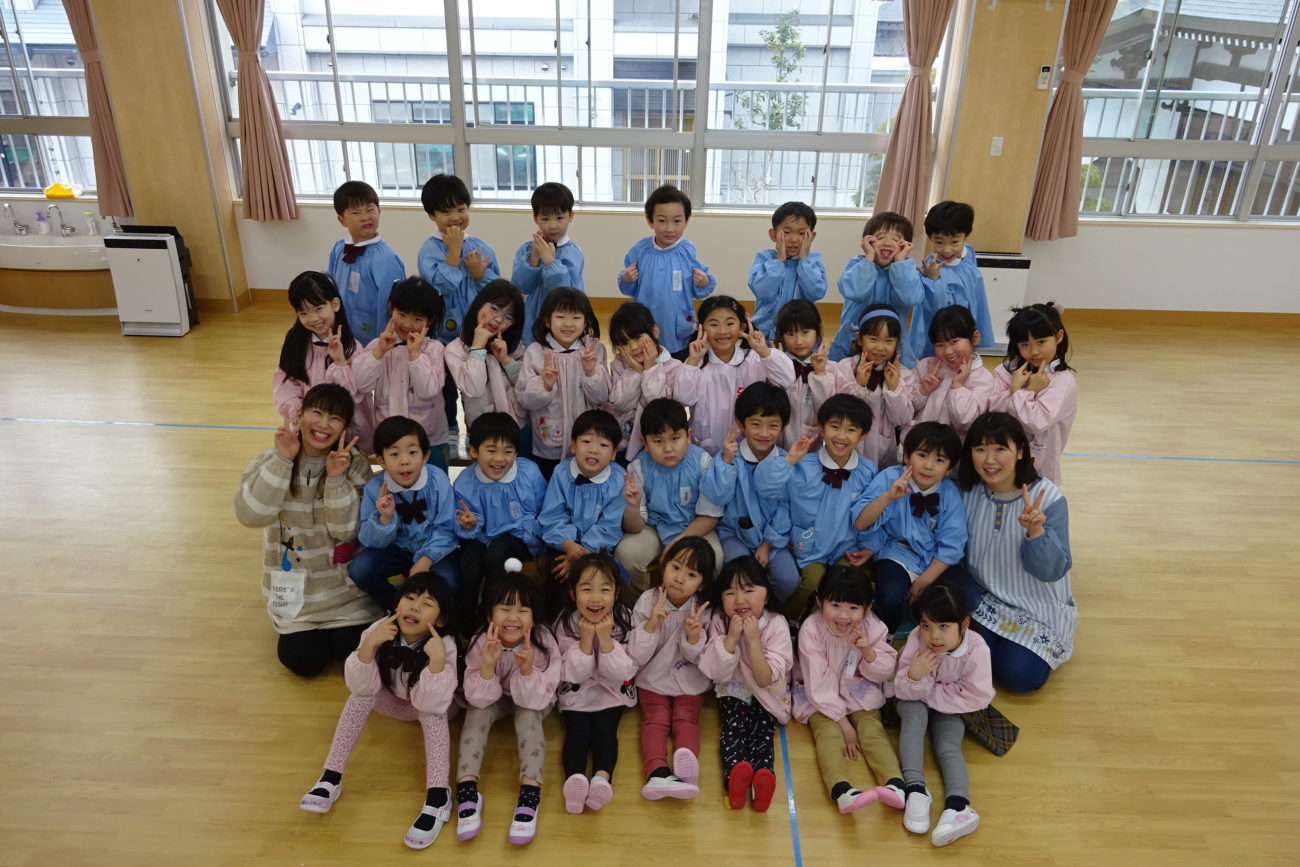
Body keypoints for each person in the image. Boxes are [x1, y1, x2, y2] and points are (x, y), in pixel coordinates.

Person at [298, 574, 458, 850]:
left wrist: (437, 662)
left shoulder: (445, 646)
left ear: (441, 620)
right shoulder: (379, 630)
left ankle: (438, 795)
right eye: (410, 598)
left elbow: (434, 703)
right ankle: (331, 777)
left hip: (433, 705)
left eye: (427, 603)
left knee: (433, 716)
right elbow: (360, 685)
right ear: (396, 604)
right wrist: (369, 646)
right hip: (394, 701)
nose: (415, 607)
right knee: (359, 697)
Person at [234, 384, 378, 677]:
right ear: (299, 415)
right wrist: (282, 461)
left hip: (346, 595)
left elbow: (346, 532)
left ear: (344, 428)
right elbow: (251, 515)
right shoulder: (270, 458)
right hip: (295, 594)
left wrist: (336, 480)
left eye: (335, 418)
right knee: (303, 661)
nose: (324, 424)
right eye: (317, 413)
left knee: (354, 651)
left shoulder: (354, 464)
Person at [956, 411, 1075, 692]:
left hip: (1035, 605)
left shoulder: (1048, 498)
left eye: (1000, 449)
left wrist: (1036, 533)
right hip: (983, 596)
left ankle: (990, 644)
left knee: (1021, 676)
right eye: (980, 449)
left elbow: (1053, 571)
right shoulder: (967, 490)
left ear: (1020, 451)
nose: (989, 459)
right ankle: (987, 640)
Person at [457, 570, 561, 846]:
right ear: (490, 615)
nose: (513, 617)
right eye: (504, 609)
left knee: (527, 717)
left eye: (523, 610)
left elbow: (537, 699)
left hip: (534, 696)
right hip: (493, 694)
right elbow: (477, 698)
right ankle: (467, 788)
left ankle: (530, 792)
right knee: (476, 713)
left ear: (535, 618)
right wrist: (487, 667)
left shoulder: (544, 643)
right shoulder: (482, 640)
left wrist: (526, 672)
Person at [791, 566, 905, 814]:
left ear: (867, 608)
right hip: (817, 695)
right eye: (835, 605)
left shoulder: (873, 626)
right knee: (828, 733)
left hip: (857, 688)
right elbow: (818, 683)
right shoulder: (812, 629)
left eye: (853, 608)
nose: (843, 616)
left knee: (871, 729)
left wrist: (868, 652)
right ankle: (841, 790)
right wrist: (845, 726)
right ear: (820, 602)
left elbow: (884, 670)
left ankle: (895, 784)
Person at [754, 394, 878, 619]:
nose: (841, 436)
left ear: (864, 434)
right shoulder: (803, 466)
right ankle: (788, 621)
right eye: (834, 427)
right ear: (821, 427)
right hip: (809, 550)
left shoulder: (867, 471)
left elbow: (873, 512)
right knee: (810, 582)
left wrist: (870, 546)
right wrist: (772, 541)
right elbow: (776, 499)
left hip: (847, 549)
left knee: (850, 583)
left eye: (851, 430)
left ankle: (838, 626)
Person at [893, 581, 995, 847]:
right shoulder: (917, 639)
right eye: (926, 625)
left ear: (964, 624)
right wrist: (915, 676)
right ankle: (915, 789)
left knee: (948, 745)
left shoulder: (977, 649)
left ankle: (959, 806)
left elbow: (977, 696)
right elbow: (901, 688)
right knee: (913, 724)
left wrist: (928, 690)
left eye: (944, 626)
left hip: (952, 706)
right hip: (915, 697)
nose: (934, 636)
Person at [853, 422, 971, 634]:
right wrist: (888, 496)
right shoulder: (890, 477)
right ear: (907, 457)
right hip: (896, 551)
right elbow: (861, 523)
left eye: (939, 460)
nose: (928, 466)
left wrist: (924, 580)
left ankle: (936, 636)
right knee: (890, 594)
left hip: (934, 557)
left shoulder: (950, 493)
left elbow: (953, 543)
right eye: (922, 455)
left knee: (969, 596)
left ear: (949, 469)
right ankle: (886, 636)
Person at [697, 556, 793, 812]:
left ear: (766, 595)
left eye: (748, 590)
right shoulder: (719, 621)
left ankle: (763, 777)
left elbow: (764, 678)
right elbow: (716, 673)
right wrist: (730, 639)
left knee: (762, 732)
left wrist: (752, 642)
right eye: (730, 593)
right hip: (733, 688)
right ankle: (735, 777)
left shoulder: (776, 624)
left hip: (766, 692)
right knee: (734, 728)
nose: (739, 600)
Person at [626, 536, 717, 801]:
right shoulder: (648, 600)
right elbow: (636, 655)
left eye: (691, 574)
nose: (679, 578)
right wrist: (651, 626)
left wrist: (693, 636)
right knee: (656, 718)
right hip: (652, 677)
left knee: (686, 717)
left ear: (702, 583)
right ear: (664, 566)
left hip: (689, 678)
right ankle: (657, 771)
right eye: (675, 567)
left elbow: (702, 658)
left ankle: (686, 771)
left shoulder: (703, 609)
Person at [553, 553, 638, 814]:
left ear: (616, 592)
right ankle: (575, 781)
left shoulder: (625, 618)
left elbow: (623, 671)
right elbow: (572, 674)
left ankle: (601, 779)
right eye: (587, 589)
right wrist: (586, 641)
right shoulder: (565, 623)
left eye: (605, 589)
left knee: (605, 731)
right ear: (572, 593)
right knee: (577, 733)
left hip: (612, 691)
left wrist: (606, 639)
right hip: (577, 692)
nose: (596, 598)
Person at [699, 383, 799, 604]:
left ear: (784, 425)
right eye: (755, 424)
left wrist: (768, 544)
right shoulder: (729, 457)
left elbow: (787, 509)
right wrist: (726, 462)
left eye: (773, 426)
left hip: (773, 539)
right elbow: (717, 496)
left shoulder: (786, 461)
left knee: (788, 579)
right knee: (741, 576)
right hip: (734, 534)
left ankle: (769, 612)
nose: (764, 433)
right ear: (740, 422)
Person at [351, 416, 459, 610]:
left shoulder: (438, 480)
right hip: (396, 550)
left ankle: (438, 618)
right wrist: (385, 519)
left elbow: (447, 527)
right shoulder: (375, 489)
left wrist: (426, 559)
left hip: (434, 548)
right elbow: (369, 541)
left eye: (412, 452)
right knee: (360, 569)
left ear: (425, 456)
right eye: (394, 454)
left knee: (449, 580)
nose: (404, 461)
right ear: (381, 460)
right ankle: (397, 608)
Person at [616, 398, 725, 591]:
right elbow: (635, 526)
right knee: (627, 553)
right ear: (645, 443)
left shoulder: (702, 461)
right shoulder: (638, 467)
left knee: (715, 559)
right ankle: (641, 602)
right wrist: (632, 507)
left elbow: (710, 516)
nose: (668, 448)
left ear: (688, 436)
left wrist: (676, 544)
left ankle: (698, 604)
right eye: (658, 441)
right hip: (654, 528)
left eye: (675, 438)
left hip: (695, 528)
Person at [452, 412, 547, 632]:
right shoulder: (465, 481)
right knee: (469, 566)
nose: (499, 459)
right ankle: (464, 625)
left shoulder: (528, 472)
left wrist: (542, 547)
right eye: (491, 450)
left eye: (508, 451)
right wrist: (469, 524)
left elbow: (545, 511)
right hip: (479, 536)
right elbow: (460, 519)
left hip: (519, 537)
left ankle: (488, 620)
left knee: (497, 555)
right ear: (473, 451)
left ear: (517, 452)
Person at [351, 277, 451, 470]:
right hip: (390, 439)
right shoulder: (377, 346)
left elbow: (428, 390)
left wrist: (415, 355)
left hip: (429, 438)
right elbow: (362, 384)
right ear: (391, 310)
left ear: (430, 320)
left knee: (434, 481)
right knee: (394, 483)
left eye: (417, 319)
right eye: (402, 314)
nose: (407, 324)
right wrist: (379, 352)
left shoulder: (434, 349)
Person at [679, 295, 796, 455]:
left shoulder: (755, 359)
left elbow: (787, 380)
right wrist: (692, 361)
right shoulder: (696, 363)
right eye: (713, 324)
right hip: (704, 450)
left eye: (730, 323)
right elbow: (683, 399)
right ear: (702, 328)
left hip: (748, 450)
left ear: (742, 327)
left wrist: (763, 351)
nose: (722, 331)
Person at [537, 410, 628, 610]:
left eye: (603, 445)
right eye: (586, 442)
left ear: (614, 453)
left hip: (599, 548)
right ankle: (554, 622)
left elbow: (609, 526)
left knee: (599, 578)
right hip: (563, 545)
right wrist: (570, 547)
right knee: (559, 575)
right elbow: (552, 516)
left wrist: (582, 553)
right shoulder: (561, 473)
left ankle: (601, 621)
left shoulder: (619, 479)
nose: (593, 450)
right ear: (573, 445)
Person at [516, 287, 611, 479]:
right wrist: (545, 385)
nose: (568, 324)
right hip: (549, 441)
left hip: (587, 441)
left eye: (576, 317)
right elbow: (525, 400)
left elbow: (602, 397)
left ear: (585, 321)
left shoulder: (594, 350)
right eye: (560, 317)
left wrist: (590, 372)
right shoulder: (535, 352)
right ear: (547, 320)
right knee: (549, 481)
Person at [273, 270, 373, 451]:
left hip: (348, 431)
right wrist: (296, 409)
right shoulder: (296, 346)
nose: (313, 319)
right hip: (312, 430)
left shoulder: (353, 348)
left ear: (335, 304)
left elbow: (352, 395)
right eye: (303, 313)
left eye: (318, 309)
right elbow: (285, 382)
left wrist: (340, 363)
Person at [811, 304, 914, 469]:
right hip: (846, 448)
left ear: (897, 343)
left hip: (883, 454)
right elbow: (839, 411)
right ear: (859, 339)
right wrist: (858, 384)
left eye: (888, 341)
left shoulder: (904, 375)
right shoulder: (845, 367)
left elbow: (901, 419)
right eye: (873, 339)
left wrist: (893, 389)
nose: (880, 347)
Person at [618, 184, 716, 356]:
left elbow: (700, 288)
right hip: (646, 322)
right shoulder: (640, 250)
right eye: (662, 221)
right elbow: (629, 287)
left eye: (677, 221)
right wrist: (626, 279)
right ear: (650, 220)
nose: (670, 228)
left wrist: (704, 282)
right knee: (647, 357)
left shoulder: (687, 250)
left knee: (678, 361)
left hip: (677, 326)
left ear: (686, 221)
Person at [988, 303, 1076, 486]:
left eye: (1041, 342)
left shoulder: (1062, 381)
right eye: (1025, 344)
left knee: (1035, 500)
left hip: (1040, 467)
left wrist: (1020, 392)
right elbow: (993, 411)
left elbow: (1036, 422)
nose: (1034, 351)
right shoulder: (1006, 371)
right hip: (1000, 460)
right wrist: (1023, 391)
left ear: (1059, 336)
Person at [416, 172, 501, 344]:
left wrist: (480, 276)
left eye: (461, 209)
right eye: (446, 212)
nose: (455, 217)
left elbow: (497, 294)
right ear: (432, 215)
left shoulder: (482, 248)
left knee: (477, 360)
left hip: (480, 331)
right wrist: (454, 251)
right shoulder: (429, 250)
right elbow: (442, 286)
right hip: (442, 335)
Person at [606, 301, 695, 463]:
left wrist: (649, 369)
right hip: (623, 445)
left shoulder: (674, 367)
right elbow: (619, 404)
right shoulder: (619, 364)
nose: (633, 347)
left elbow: (659, 408)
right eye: (624, 343)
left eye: (637, 338)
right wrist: (636, 371)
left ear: (655, 332)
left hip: (660, 447)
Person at [909, 201, 994, 364]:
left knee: (963, 357)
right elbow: (936, 308)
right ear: (930, 238)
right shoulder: (932, 268)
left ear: (965, 236)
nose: (947, 250)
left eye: (954, 242)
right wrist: (933, 280)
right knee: (942, 362)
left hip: (966, 320)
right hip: (945, 329)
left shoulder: (968, 253)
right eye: (939, 242)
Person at [830, 211, 922, 363]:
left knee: (894, 373)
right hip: (854, 336)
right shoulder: (858, 264)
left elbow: (910, 298)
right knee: (846, 370)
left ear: (906, 245)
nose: (887, 243)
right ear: (867, 242)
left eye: (896, 239)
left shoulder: (906, 268)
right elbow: (855, 292)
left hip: (891, 342)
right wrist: (869, 258)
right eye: (880, 237)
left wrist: (900, 262)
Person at [443, 280, 528, 439]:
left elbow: (524, 385)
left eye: (508, 317)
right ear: (479, 303)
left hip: (517, 426)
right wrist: (477, 347)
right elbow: (474, 389)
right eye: (494, 309)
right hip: (482, 431)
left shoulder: (513, 345)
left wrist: (506, 360)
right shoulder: (455, 349)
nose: (498, 320)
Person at [327, 180, 406, 341]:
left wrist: (385, 339)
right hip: (343, 330)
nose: (365, 217)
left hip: (373, 335)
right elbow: (330, 288)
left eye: (370, 210)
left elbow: (393, 305)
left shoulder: (385, 258)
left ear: (379, 212)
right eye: (356, 213)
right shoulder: (338, 249)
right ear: (342, 220)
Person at [511, 181, 585, 343]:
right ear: (535, 218)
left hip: (566, 326)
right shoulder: (527, 249)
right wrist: (534, 258)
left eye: (560, 218)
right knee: (533, 354)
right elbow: (520, 287)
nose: (553, 225)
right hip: (533, 320)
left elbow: (566, 294)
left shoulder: (574, 252)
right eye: (545, 218)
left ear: (571, 216)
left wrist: (550, 262)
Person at [909, 304, 994, 441]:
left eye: (954, 341)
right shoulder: (926, 366)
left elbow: (968, 423)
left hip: (954, 451)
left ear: (975, 338)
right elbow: (908, 408)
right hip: (920, 445)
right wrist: (923, 391)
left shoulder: (983, 379)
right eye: (940, 345)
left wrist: (958, 387)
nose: (948, 351)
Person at [747, 201, 827, 340]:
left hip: (800, 334)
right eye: (786, 232)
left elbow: (816, 292)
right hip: (766, 332)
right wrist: (779, 261)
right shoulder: (764, 258)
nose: (794, 239)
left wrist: (804, 261)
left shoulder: (813, 261)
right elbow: (763, 292)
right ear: (773, 234)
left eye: (801, 233)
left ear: (811, 236)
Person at [773, 298, 824, 449]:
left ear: (818, 330)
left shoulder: (830, 368)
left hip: (813, 448)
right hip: (778, 447)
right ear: (781, 335)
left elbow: (828, 408)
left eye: (805, 332)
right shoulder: (776, 365)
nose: (799, 341)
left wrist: (820, 375)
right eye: (791, 334)